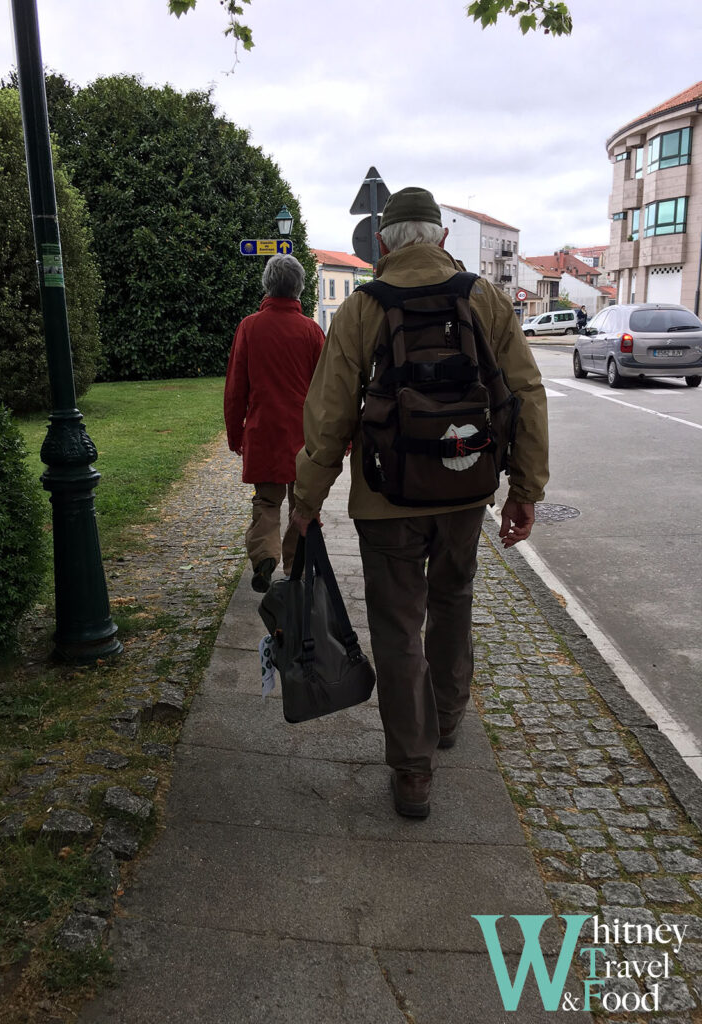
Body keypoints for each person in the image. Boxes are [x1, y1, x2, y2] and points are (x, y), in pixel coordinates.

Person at [291, 187, 549, 819]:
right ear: (440, 238)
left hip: (385, 501)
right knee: (454, 599)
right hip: (466, 492)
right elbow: (526, 392)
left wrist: (305, 502)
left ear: (382, 244)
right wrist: (525, 489)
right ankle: (450, 716)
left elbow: (327, 417)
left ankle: (413, 772)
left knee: (398, 629)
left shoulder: (361, 310)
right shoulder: (483, 298)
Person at [224, 253, 324, 592]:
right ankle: (295, 568)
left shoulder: (249, 327)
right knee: (302, 504)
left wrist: (235, 434)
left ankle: (265, 554)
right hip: (303, 435)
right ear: (298, 288)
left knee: (267, 502)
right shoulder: (311, 330)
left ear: (268, 285)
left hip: (264, 430)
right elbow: (326, 388)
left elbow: (236, 387)